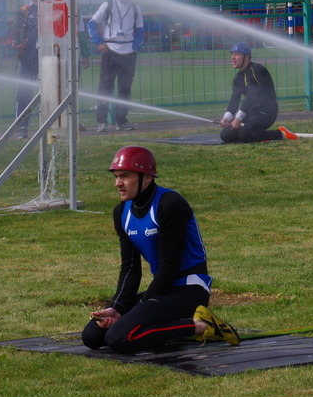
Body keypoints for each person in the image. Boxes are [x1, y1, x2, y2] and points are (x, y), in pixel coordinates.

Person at [82, 146, 240, 353]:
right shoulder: (121, 212)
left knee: (119, 338)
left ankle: (202, 325)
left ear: (146, 177)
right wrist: (118, 307)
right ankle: (165, 327)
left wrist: (140, 307)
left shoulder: (170, 203)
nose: (117, 183)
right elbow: (130, 267)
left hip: (189, 290)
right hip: (163, 289)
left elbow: (169, 265)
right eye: (116, 176)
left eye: (125, 176)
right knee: (92, 337)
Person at [87, 0, 144, 132]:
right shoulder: (108, 6)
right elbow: (91, 24)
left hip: (128, 53)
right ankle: (101, 122)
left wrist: (135, 47)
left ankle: (121, 121)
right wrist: (99, 42)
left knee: (125, 89)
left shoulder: (135, 8)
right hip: (110, 51)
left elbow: (140, 30)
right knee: (105, 88)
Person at [219, 42, 298, 143]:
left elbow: (251, 96)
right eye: (232, 54)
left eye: (237, 54)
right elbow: (234, 100)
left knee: (245, 135)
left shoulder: (257, 71)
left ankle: (281, 133)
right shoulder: (237, 78)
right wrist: (226, 118)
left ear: (247, 57)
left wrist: (238, 118)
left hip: (267, 111)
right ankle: (256, 134)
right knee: (226, 135)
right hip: (251, 112)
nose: (233, 58)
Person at [9, 0, 40, 139]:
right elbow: (15, 31)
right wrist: (17, 41)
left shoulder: (50, 8)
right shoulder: (23, 11)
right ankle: (22, 125)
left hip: (47, 56)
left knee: (54, 90)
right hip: (28, 57)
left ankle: (58, 123)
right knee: (24, 92)